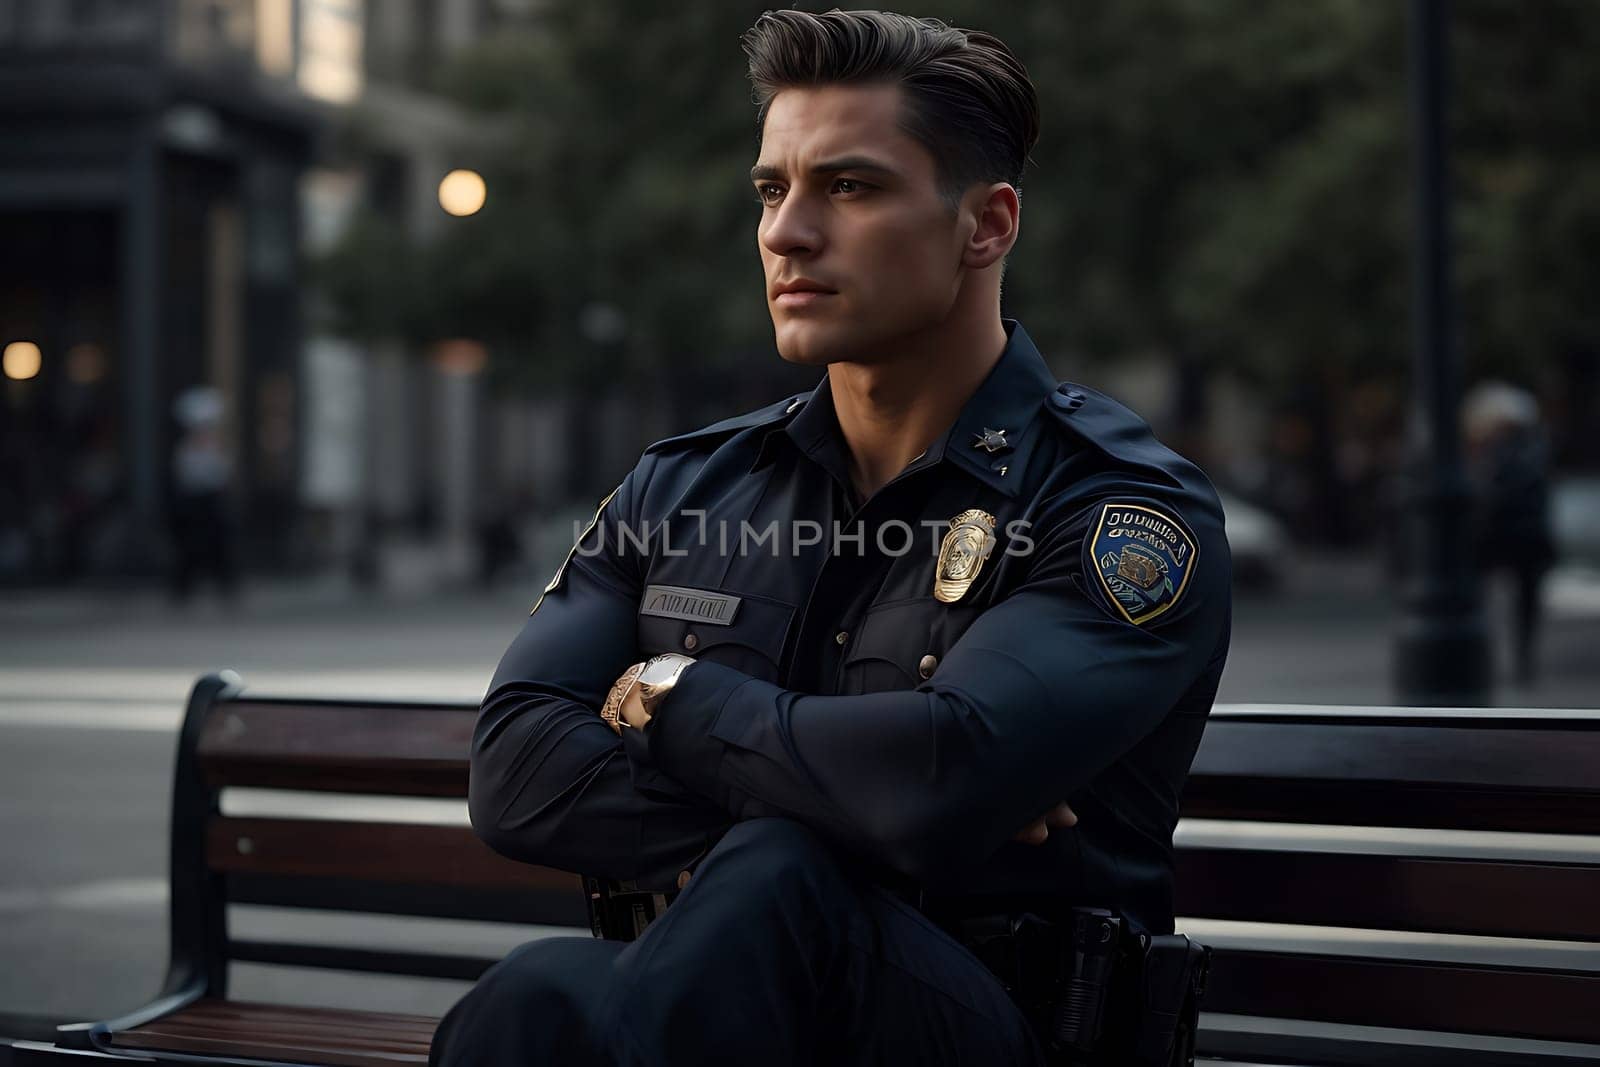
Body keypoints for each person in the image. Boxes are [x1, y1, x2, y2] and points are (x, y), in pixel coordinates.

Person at [430, 10, 1230, 1066]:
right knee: (533, 997)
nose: (784, 232)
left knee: (773, 887)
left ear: (985, 225)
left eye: (847, 187)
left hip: (993, 1031)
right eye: (771, 189)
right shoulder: (684, 484)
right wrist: (860, 797)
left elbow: (944, 771)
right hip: (715, 1014)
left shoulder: (1117, 509)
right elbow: (516, 762)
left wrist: (667, 695)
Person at [1463, 381, 1555, 684]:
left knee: (1507, 599)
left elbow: (1492, 493)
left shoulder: (1506, 452)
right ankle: (1520, 661)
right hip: (1521, 534)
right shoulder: (1533, 447)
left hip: (1507, 533)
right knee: (1521, 602)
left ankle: (1515, 660)